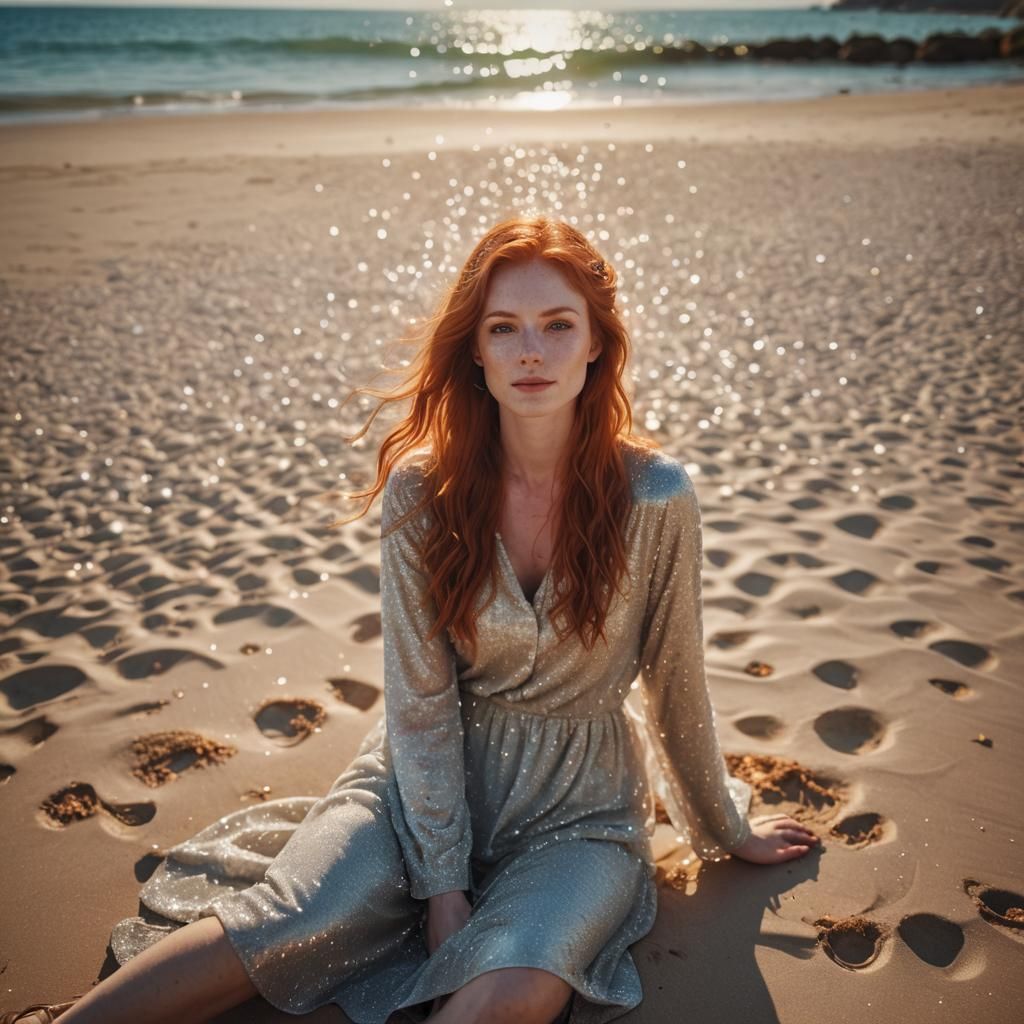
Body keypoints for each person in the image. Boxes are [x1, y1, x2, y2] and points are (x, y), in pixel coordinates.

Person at [9, 216, 819, 1024]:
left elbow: (676, 681)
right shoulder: (422, 493)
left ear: (598, 342)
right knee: (294, 921)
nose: (530, 351)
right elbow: (420, 699)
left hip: (582, 806)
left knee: (520, 979)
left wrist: (723, 824)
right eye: (504, 329)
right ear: (475, 349)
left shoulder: (657, 496)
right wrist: (443, 886)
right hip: (420, 778)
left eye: (557, 325)